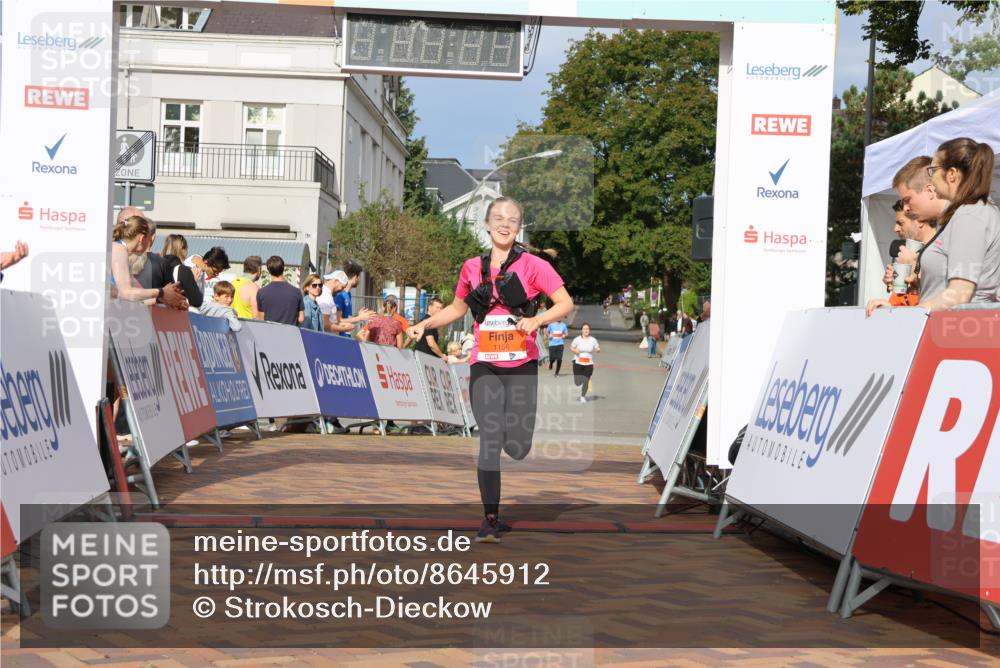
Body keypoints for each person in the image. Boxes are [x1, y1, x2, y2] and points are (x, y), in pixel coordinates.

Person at [405, 197, 573, 543]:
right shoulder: (471, 267)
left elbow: (565, 303)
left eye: (512, 219)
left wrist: (537, 319)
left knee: (518, 447)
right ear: (486, 224)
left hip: (522, 364)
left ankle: (511, 451)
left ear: (519, 227)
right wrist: (426, 323)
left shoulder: (534, 266)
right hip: (484, 364)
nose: (505, 223)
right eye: (498, 217)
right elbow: (456, 308)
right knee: (489, 438)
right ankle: (490, 518)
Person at [869, 138, 1000, 313]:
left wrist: (908, 314)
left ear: (951, 174)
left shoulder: (970, 214)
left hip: (957, 331)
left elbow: (959, 294)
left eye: (933, 170)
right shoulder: (971, 212)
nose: (931, 178)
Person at [111, 216, 182, 304]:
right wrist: (161, 292)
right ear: (142, 239)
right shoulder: (119, 249)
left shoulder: (120, 249)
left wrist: (160, 298)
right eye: (149, 239)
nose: (149, 243)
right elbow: (126, 293)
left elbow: (136, 296)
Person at [318, 267, 373, 334]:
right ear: (336, 281)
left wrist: (344, 325)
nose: (341, 290)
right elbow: (326, 325)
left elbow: (333, 321)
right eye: (342, 287)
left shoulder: (329, 295)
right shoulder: (326, 296)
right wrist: (344, 328)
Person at [256, 255, 304, 325]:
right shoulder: (296, 292)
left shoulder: (261, 292)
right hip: (290, 333)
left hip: (270, 333)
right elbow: (301, 319)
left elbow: (261, 319)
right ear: (283, 268)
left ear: (269, 270)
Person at [334, 260, 364, 338]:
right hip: (340, 337)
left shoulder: (348, 294)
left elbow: (347, 317)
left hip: (347, 335)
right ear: (355, 277)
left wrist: (358, 316)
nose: (359, 280)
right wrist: (360, 318)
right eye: (359, 277)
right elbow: (338, 320)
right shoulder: (340, 295)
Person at [571, 323, 600, 402]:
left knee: (586, 380)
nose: (586, 330)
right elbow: (572, 347)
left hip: (589, 363)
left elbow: (597, 347)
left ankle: (583, 396)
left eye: (587, 329)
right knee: (577, 382)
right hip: (578, 362)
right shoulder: (577, 339)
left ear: (589, 330)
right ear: (582, 330)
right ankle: (580, 382)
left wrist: (597, 349)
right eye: (584, 329)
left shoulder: (593, 340)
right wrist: (575, 350)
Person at [231, 256, 262, 320]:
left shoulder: (231, 283)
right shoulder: (254, 288)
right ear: (258, 269)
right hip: (247, 327)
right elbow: (256, 316)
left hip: (231, 325)